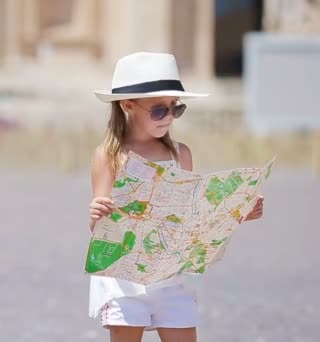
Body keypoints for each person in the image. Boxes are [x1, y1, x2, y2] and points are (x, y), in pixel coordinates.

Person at [87, 52, 264, 342]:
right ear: (128, 104)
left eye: (175, 109)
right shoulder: (108, 156)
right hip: (123, 281)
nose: (169, 117)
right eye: (159, 110)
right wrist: (95, 214)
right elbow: (101, 230)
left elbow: (190, 220)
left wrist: (237, 211)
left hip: (171, 277)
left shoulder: (180, 155)